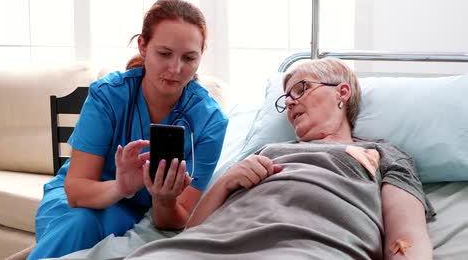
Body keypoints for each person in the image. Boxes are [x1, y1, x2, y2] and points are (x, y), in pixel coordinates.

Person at [126, 58, 435, 260]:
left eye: (301, 89)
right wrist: (227, 182)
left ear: (341, 93)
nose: (289, 102)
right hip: (201, 249)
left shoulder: (382, 154)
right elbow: (192, 231)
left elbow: (407, 238)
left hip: (305, 249)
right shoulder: (267, 152)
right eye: (285, 96)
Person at [27, 0, 229, 260]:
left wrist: (163, 199)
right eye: (164, 54)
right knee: (80, 223)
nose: (175, 69)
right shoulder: (107, 96)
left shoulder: (210, 121)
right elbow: (76, 191)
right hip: (77, 200)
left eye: (189, 58)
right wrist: (121, 187)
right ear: (143, 47)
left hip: (129, 211)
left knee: (85, 228)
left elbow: (176, 218)